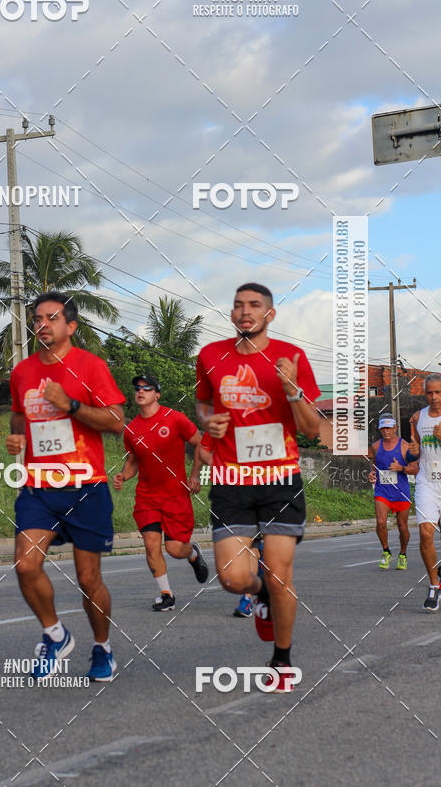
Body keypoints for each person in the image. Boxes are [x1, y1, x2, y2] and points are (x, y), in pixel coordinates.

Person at [196, 283, 320, 692]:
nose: (245, 311)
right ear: (232, 313)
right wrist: (208, 422)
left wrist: (292, 389)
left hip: (279, 480)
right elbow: (203, 404)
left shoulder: (292, 357)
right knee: (233, 579)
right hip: (231, 481)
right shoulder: (210, 356)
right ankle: (260, 591)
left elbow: (311, 428)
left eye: (254, 305)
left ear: (270, 314)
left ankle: (281, 660)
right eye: (238, 305)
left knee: (280, 574)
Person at [7, 292, 125, 681]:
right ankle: (56, 634)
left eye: (51, 318)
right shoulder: (22, 372)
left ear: (70, 326)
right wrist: (17, 437)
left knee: (89, 579)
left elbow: (116, 421)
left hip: (86, 485)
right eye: (36, 318)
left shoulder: (90, 366)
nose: (42, 324)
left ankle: (102, 647)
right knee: (26, 564)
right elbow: (19, 416)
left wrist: (71, 405)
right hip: (39, 486)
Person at [113, 374, 208, 611]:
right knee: (151, 544)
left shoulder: (174, 418)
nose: (140, 391)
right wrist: (123, 475)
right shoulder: (131, 429)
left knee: (175, 549)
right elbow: (132, 461)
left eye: (147, 388)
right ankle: (166, 594)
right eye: (137, 388)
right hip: (147, 497)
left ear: (157, 394)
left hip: (175, 495)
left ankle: (192, 553)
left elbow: (200, 443)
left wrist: (195, 475)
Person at [198, 431, 255, 618]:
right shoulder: (219, 420)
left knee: (250, 546)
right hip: (224, 492)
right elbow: (203, 449)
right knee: (228, 573)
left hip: (254, 489)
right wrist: (217, 464)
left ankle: (247, 599)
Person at [408, 374, 441, 611]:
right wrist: (413, 450)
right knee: (425, 533)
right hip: (427, 482)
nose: (434, 397)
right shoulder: (418, 417)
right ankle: (433, 585)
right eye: (430, 393)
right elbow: (417, 449)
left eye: (438, 392)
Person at [368, 415, 416, 570]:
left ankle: (403, 554)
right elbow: (375, 464)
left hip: (401, 491)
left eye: (389, 428)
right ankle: (386, 551)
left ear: (395, 428)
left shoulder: (405, 446)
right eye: (383, 428)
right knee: (381, 522)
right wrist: (372, 473)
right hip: (382, 490)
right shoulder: (376, 446)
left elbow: (415, 469)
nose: (386, 431)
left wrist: (401, 468)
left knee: (402, 526)